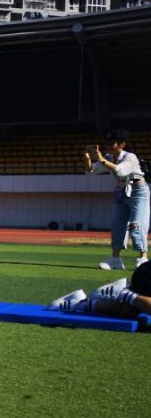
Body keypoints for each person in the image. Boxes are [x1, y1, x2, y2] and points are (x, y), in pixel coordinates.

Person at [85, 128, 148, 271]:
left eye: (111, 143)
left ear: (122, 144)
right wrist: (88, 160)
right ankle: (115, 259)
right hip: (122, 192)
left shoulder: (130, 157)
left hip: (138, 192)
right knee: (117, 225)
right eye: (107, 143)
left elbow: (121, 170)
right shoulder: (108, 156)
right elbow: (91, 171)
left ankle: (143, 258)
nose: (107, 145)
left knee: (136, 225)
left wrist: (101, 159)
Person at [48, 261, 151, 318]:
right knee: (130, 309)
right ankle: (122, 293)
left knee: (129, 311)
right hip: (146, 275)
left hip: (144, 274)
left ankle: (80, 304)